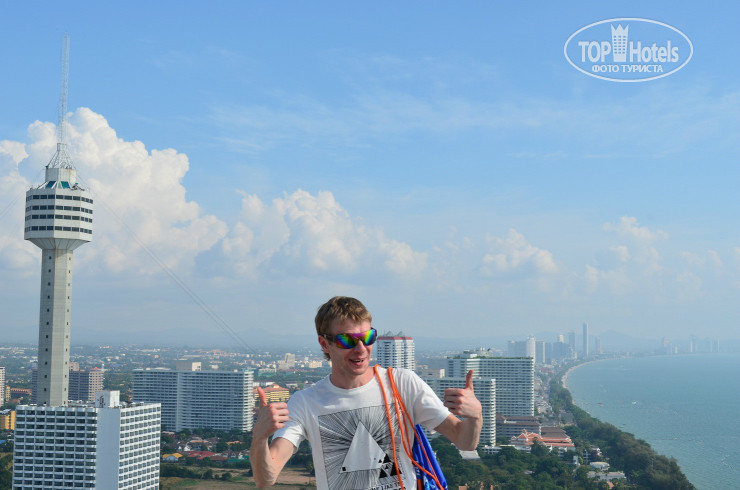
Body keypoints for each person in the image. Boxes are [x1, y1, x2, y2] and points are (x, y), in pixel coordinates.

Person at [251, 296, 482, 489]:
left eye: (367, 337)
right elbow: (266, 478)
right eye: (347, 341)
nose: (361, 349)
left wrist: (475, 416)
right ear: (324, 343)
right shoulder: (305, 403)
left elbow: (464, 441)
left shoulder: (403, 384)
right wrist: (260, 438)